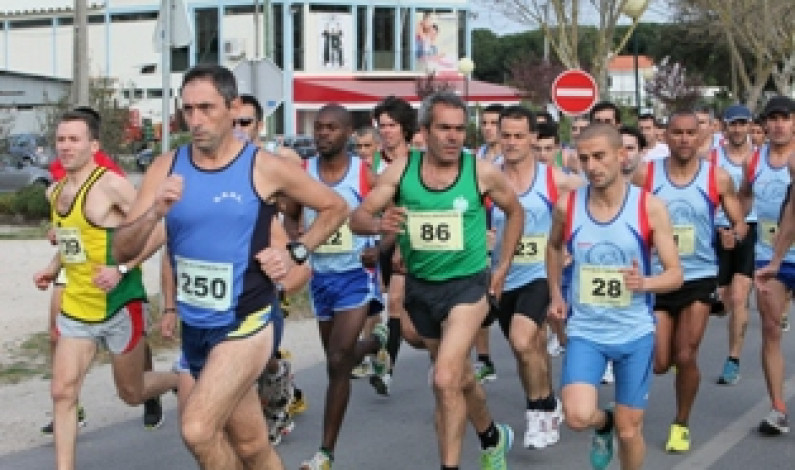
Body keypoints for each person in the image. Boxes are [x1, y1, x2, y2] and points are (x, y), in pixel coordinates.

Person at [111, 64, 348, 470]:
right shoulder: (166, 167)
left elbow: (335, 207)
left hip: (248, 321)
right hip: (197, 327)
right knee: (252, 445)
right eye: (188, 110)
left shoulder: (261, 166)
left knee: (198, 430)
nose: (196, 120)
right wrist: (154, 213)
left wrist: (297, 252)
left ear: (232, 107)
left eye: (207, 108)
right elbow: (121, 249)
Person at [350, 91, 523, 470]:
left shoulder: (479, 171)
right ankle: (492, 437)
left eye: (460, 129)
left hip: (469, 285)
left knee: (444, 378)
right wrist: (381, 224)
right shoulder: (401, 171)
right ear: (424, 132)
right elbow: (358, 217)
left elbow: (515, 212)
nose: (453, 137)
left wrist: (502, 267)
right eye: (444, 128)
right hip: (422, 287)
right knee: (458, 376)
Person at [33, 110, 179, 470]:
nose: (65, 147)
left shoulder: (111, 185)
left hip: (119, 305)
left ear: (93, 146)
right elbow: (74, 243)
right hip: (77, 307)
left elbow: (158, 229)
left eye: (74, 140)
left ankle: (179, 378)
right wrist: (52, 270)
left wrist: (123, 268)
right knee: (62, 392)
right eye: (61, 139)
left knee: (131, 394)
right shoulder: (55, 192)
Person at [547, 123, 683, 470]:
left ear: (622, 155)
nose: (592, 166)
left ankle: (616, 428)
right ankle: (601, 423)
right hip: (586, 331)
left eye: (600, 156)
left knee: (629, 431)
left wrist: (645, 284)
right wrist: (555, 294)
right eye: (585, 158)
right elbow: (553, 246)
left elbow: (675, 274)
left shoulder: (650, 207)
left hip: (634, 331)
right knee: (577, 416)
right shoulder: (568, 206)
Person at [632, 110, 748, 453]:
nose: (684, 139)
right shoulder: (646, 174)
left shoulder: (718, 177)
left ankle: (681, 424)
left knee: (686, 354)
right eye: (677, 133)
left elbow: (740, 223)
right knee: (659, 362)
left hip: (698, 276)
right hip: (658, 277)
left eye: (690, 133)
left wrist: (733, 235)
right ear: (665, 136)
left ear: (701, 137)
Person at [290, 104, 389, 470]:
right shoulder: (304, 173)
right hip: (321, 279)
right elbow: (288, 211)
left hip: (355, 276)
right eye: (319, 127)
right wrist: (294, 238)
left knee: (336, 360)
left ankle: (325, 452)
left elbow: (391, 221)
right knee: (341, 363)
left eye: (331, 128)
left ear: (348, 133)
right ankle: (378, 343)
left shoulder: (366, 177)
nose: (323, 134)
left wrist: (378, 248)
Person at [492, 105, 580, 449]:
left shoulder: (554, 179)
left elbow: (593, 199)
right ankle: (548, 403)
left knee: (521, 338)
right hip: (502, 277)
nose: (512, 143)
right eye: (506, 136)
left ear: (533, 138)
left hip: (541, 273)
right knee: (529, 349)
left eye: (519, 136)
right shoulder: (489, 178)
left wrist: (571, 244)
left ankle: (537, 412)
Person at [234, 93, 309, 440]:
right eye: (232, 122)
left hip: (276, 261)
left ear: (260, 125)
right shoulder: (219, 163)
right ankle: (270, 399)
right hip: (236, 267)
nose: (237, 129)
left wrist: (296, 251)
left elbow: (306, 208)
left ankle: (276, 385)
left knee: (262, 351)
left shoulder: (280, 161)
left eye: (245, 123)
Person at [366, 95, 425, 397]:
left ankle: (387, 370)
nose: (386, 131)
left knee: (396, 301)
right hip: (374, 240)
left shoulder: (418, 161)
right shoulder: (370, 162)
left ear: (405, 129)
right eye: (382, 125)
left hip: (408, 240)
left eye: (392, 125)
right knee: (376, 309)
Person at [746, 96, 795, 436]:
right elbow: (744, 195)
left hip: (778, 253)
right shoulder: (755, 161)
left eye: (785, 118)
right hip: (770, 254)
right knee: (770, 329)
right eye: (772, 119)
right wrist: (737, 223)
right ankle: (777, 407)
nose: (778, 125)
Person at [709, 104, 756, 385]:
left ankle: (733, 359)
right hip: (717, 231)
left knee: (739, 296)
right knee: (724, 300)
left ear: (750, 125)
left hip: (749, 231)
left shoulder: (757, 159)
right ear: (724, 127)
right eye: (732, 124)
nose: (737, 129)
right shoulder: (712, 158)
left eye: (742, 124)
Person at [473, 103, 505, 384]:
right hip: (484, 229)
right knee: (479, 296)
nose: (488, 128)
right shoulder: (476, 158)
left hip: (515, 235)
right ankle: (484, 359)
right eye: (484, 122)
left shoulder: (513, 158)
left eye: (494, 123)